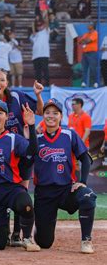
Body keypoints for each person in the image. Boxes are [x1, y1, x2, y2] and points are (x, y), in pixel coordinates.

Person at [32, 98, 96, 254]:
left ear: (61, 116)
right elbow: (25, 161)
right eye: (47, 112)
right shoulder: (37, 139)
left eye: (55, 113)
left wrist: (82, 182)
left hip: (66, 190)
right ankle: (40, 229)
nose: (51, 116)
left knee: (87, 195)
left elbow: (85, 159)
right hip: (44, 194)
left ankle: (86, 240)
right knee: (44, 243)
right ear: (43, 116)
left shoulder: (69, 134)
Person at [0, 99, 40, 251]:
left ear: (6, 117)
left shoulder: (14, 139)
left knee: (25, 204)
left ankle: (27, 238)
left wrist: (31, 127)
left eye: (0, 113)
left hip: (10, 188)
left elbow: (32, 152)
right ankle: (1, 227)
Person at [30, 20, 50, 86]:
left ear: (43, 25)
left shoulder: (46, 32)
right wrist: (33, 29)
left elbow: (47, 23)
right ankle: (38, 84)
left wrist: (45, 12)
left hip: (44, 54)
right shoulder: (34, 35)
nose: (39, 27)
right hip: (36, 56)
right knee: (37, 71)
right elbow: (32, 39)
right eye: (38, 26)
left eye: (41, 25)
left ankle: (47, 84)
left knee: (45, 70)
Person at [78, 24, 99, 88]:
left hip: (92, 53)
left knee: (93, 68)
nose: (87, 26)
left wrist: (85, 40)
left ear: (92, 26)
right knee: (84, 68)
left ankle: (95, 82)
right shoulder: (86, 34)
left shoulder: (95, 33)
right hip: (85, 53)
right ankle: (84, 82)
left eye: (89, 25)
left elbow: (88, 41)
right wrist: (85, 40)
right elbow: (80, 42)